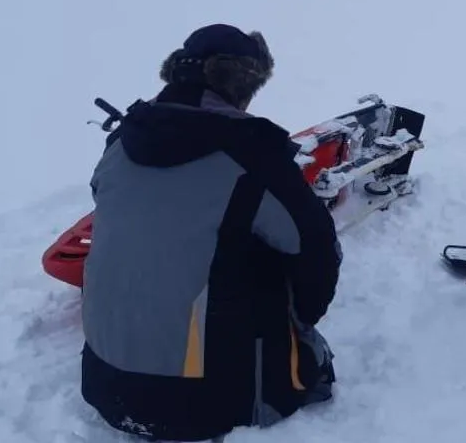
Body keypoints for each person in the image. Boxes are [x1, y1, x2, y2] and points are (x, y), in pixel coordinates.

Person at [79, 23, 342, 441]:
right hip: (206, 404)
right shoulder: (252, 152)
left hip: (103, 385)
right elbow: (317, 250)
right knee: (269, 264)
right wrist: (302, 324)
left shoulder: (120, 142)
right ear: (242, 82)